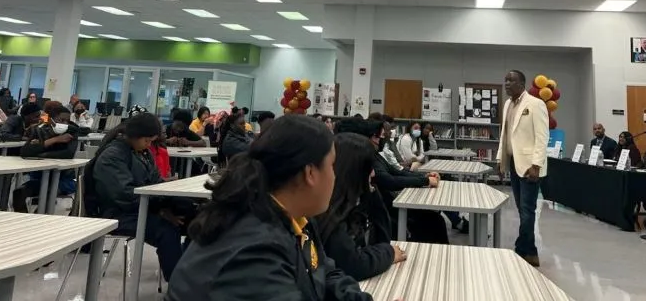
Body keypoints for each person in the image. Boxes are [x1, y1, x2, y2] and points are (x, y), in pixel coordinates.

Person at [166, 115, 372, 301]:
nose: (335, 176)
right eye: (332, 166)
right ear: (310, 173)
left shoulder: (295, 219)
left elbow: (324, 272)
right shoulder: (254, 250)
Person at [85, 112, 189, 282]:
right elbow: (126, 196)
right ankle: (180, 285)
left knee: (197, 217)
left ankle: (191, 272)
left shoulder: (142, 152)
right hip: (119, 214)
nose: (149, 145)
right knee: (166, 229)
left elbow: (155, 182)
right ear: (134, 135)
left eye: (151, 141)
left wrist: (168, 195)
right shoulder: (112, 156)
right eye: (147, 140)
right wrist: (160, 211)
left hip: (143, 206)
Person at [342, 118, 449, 245]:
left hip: (391, 203)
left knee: (435, 219)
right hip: (391, 208)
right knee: (435, 221)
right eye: (379, 136)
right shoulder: (368, 158)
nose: (382, 138)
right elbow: (390, 180)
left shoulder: (376, 154)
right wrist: (424, 180)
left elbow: (396, 171)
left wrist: (424, 177)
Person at [317, 133, 405, 281]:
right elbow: (353, 265)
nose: (374, 173)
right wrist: (388, 253)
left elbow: (383, 232)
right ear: (354, 171)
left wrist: (371, 190)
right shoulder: (330, 212)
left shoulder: (354, 202)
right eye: (369, 168)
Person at [498, 70, 549, 267]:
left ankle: (522, 249)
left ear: (522, 83)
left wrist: (536, 165)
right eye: (505, 80)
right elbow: (505, 135)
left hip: (530, 166)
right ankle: (531, 252)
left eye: (511, 80)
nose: (507, 83)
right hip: (513, 162)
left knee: (527, 210)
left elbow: (542, 137)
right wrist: (500, 159)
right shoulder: (507, 104)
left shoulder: (536, 104)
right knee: (522, 209)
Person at [14, 104, 78, 212]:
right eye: (61, 120)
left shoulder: (71, 131)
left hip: (63, 179)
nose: (65, 124)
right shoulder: (40, 130)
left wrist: (40, 151)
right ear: (51, 120)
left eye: (67, 121)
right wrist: (54, 140)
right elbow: (25, 151)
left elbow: (68, 154)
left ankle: (38, 218)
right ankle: (23, 218)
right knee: (18, 193)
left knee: (48, 193)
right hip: (40, 178)